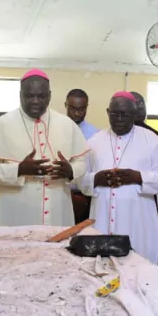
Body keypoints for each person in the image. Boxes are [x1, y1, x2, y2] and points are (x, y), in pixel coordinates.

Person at [0, 69, 89, 226]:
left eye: (41, 96)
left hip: (57, 213)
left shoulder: (67, 125)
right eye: (29, 96)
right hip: (15, 214)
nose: (35, 101)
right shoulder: (2, 124)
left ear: (49, 96)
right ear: (20, 95)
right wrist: (19, 170)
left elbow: (81, 163)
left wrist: (71, 171)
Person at [79, 91, 158, 264]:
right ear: (107, 112)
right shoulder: (93, 142)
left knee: (140, 272)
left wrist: (138, 177)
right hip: (102, 222)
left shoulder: (153, 141)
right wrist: (96, 179)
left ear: (135, 115)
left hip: (138, 224)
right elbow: (80, 180)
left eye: (125, 114)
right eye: (114, 114)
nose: (119, 119)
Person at [65, 89, 96, 224]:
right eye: (72, 108)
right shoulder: (56, 129)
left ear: (87, 108)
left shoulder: (95, 134)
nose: (76, 113)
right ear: (65, 105)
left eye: (81, 109)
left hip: (84, 195)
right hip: (62, 192)